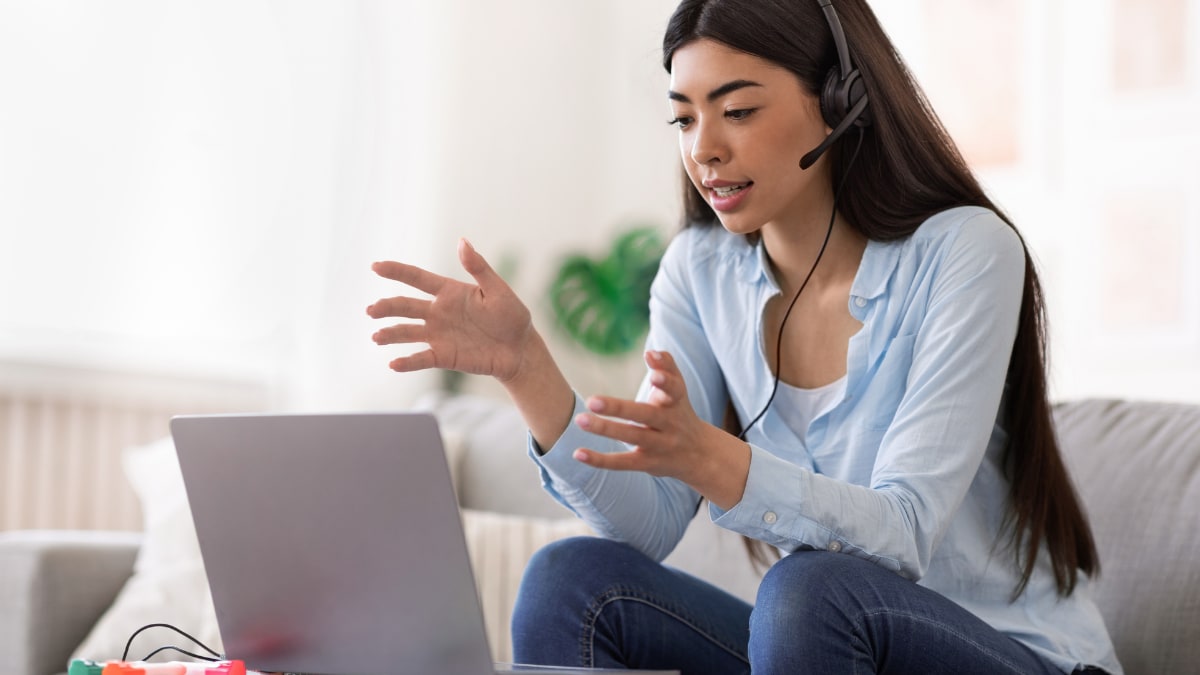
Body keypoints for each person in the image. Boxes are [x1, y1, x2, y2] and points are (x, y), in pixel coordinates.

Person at [367, 0, 1122, 673]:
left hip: (1009, 650)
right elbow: (652, 523)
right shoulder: (700, 270)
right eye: (685, 117)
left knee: (804, 590)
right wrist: (526, 368)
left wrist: (719, 460)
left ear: (839, 101)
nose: (704, 149)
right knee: (570, 581)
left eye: (738, 110)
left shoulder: (964, 251)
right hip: (826, 638)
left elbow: (904, 531)